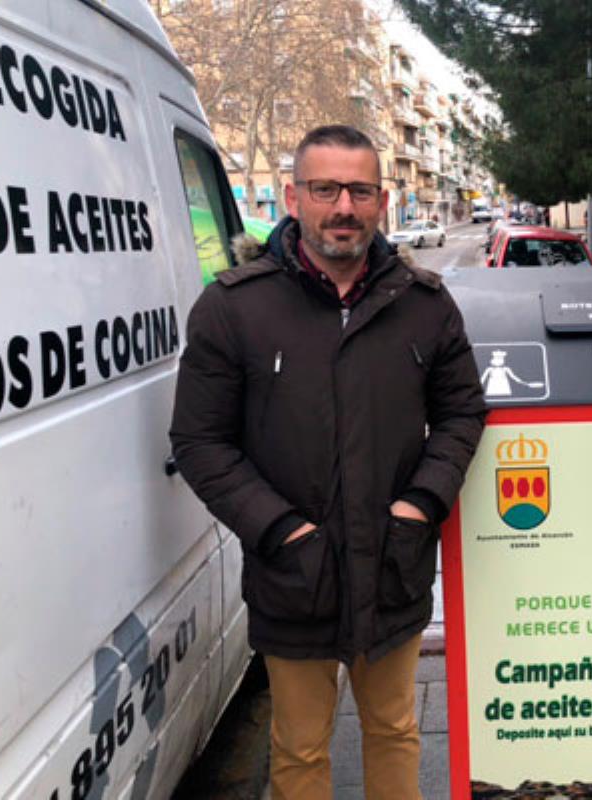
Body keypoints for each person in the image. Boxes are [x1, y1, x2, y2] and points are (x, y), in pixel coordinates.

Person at [169, 125, 486, 800]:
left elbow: (462, 413)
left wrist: (421, 504)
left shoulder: (424, 306)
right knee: (300, 748)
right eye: (325, 189)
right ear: (293, 196)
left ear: (381, 201)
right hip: (295, 573)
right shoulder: (234, 308)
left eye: (360, 190)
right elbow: (200, 441)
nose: (343, 206)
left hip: (392, 563)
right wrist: (281, 529)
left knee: (396, 730)